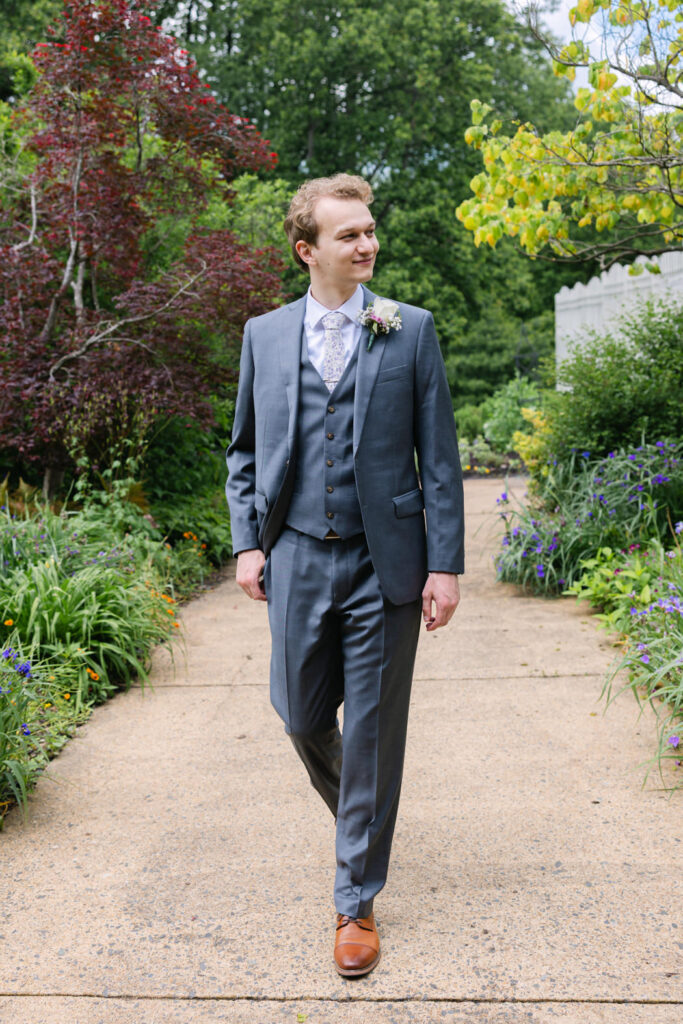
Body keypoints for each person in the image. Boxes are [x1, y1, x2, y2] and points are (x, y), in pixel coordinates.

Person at [225, 173, 464, 977]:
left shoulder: (410, 329)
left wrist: (443, 564)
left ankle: (354, 899)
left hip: (383, 560)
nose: (367, 244)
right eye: (348, 235)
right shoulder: (263, 335)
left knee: (369, 730)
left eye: (369, 230)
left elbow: (439, 457)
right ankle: (362, 822)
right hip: (292, 553)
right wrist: (246, 544)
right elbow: (244, 454)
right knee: (298, 715)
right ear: (307, 250)